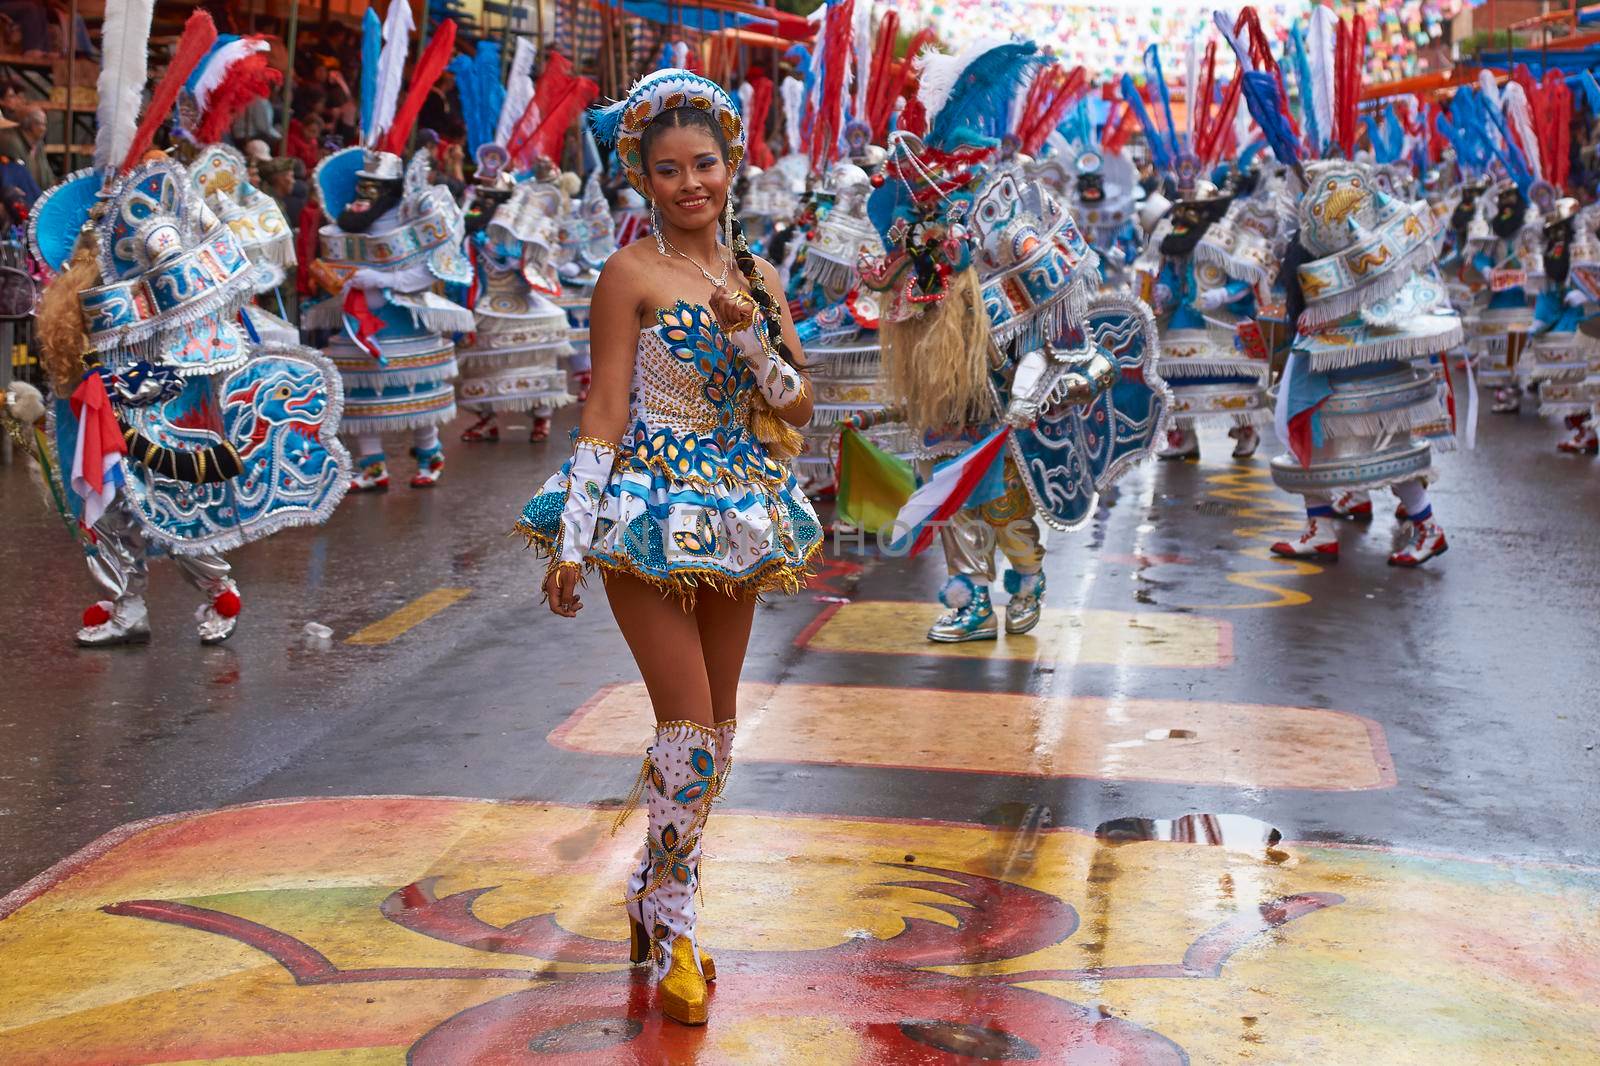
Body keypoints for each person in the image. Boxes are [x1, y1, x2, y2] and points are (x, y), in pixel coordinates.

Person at [513, 68, 821, 1027]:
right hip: (641, 514)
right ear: (643, 181)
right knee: (685, 730)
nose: (692, 183)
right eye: (670, 170)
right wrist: (571, 538)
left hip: (735, 511)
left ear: (732, 168)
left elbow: (797, 404)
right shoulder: (630, 275)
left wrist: (754, 344)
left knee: (719, 735)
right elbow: (605, 405)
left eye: (707, 165)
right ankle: (679, 919)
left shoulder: (761, 280)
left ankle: (655, 880)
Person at [0, 105, 53, 194]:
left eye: (45, 124)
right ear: (30, 125)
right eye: (41, 124)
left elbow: (48, 177)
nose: (44, 129)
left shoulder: (38, 144)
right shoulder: (11, 143)